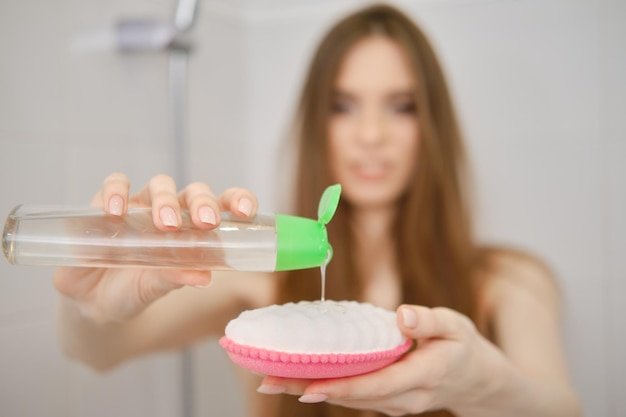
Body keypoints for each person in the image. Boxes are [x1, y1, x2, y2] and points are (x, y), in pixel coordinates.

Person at [53, 3, 581, 417]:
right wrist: (95, 305)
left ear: (432, 125)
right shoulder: (258, 284)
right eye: (342, 105)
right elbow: (96, 354)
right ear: (316, 123)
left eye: (401, 106)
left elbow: (561, 409)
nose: (370, 135)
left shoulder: (508, 282)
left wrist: (485, 385)